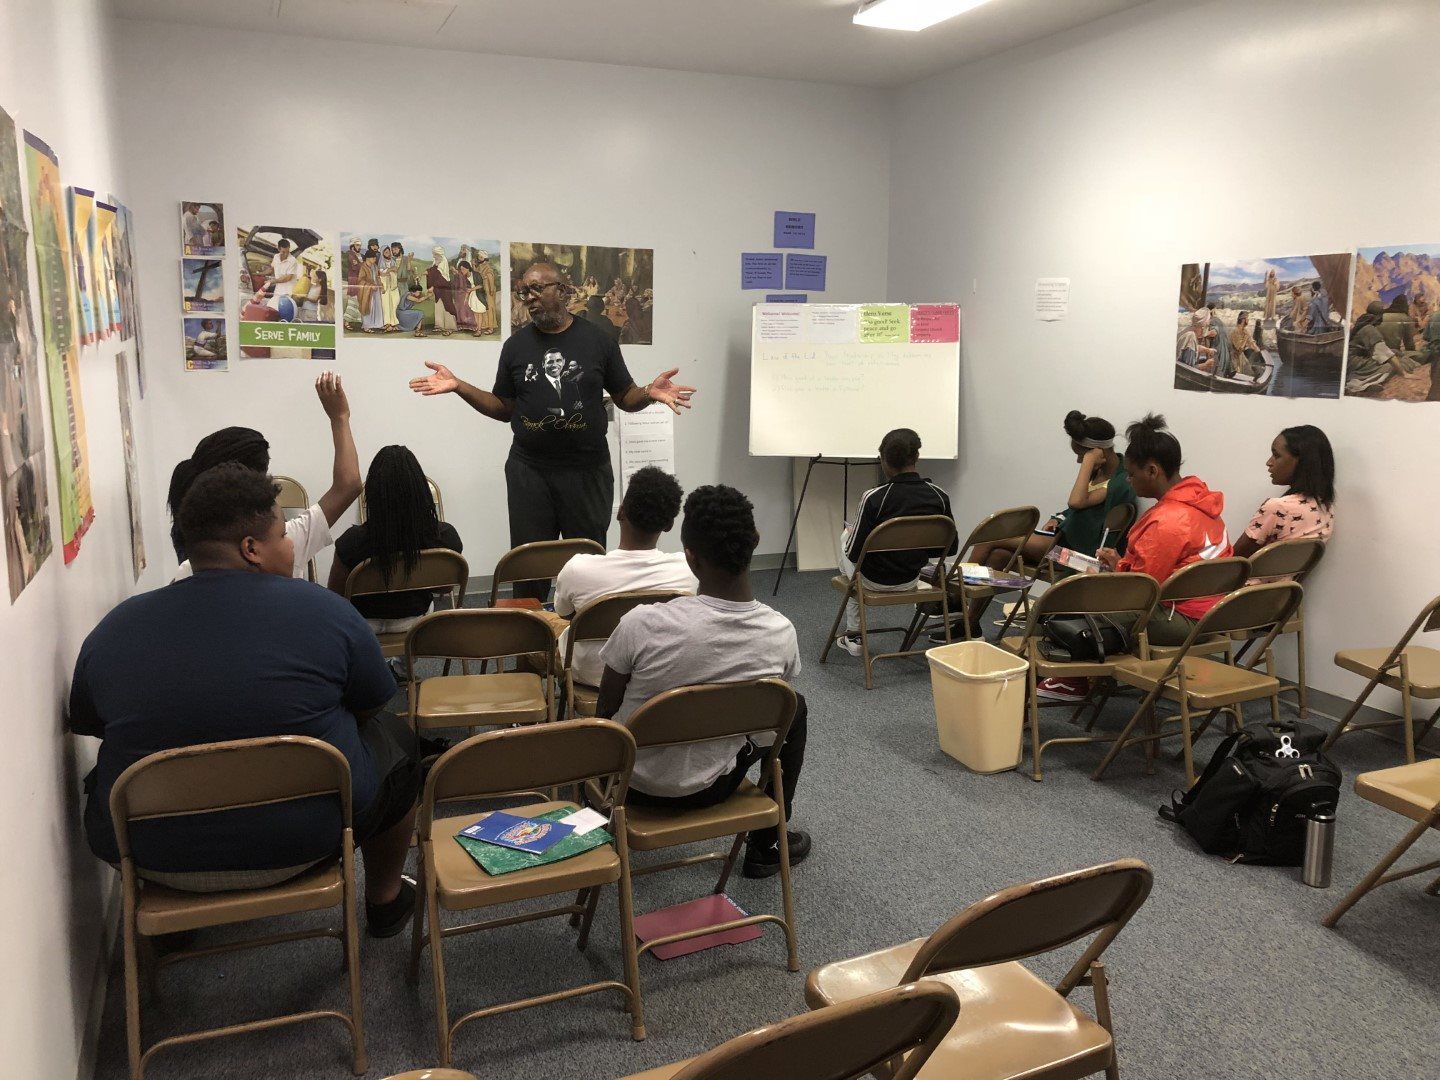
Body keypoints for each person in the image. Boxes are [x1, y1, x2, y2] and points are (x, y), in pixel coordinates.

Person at [71, 464, 420, 936]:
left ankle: (168, 928)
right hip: (310, 837)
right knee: (398, 741)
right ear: (252, 550)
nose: (291, 544)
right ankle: (385, 901)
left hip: (151, 854)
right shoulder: (327, 612)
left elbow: (93, 723)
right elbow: (371, 704)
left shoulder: (112, 630)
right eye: (283, 534)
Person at [408, 259, 695, 601]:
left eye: (536, 289)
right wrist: (459, 386)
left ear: (562, 289)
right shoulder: (516, 347)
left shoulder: (598, 341)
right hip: (530, 472)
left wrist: (650, 392)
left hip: (587, 472)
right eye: (522, 291)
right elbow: (504, 407)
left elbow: (624, 397)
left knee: (588, 568)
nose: (528, 297)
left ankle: (582, 648)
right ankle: (532, 651)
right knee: (529, 568)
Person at [595, 484, 810, 879]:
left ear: (691, 558)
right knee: (793, 707)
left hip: (632, 786)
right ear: (755, 544)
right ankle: (766, 844)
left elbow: (606, 708)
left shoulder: (642, 623)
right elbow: (765, 724)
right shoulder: (781, 632)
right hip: (716, 785)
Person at [168, 372, 361, 577]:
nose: (287, 541)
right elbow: (349, 484)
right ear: (250, 549)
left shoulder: (187, 570)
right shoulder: (280, 548)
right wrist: (340, 417)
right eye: (282, 535)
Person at [553, 466, 697, 688]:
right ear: (668, 526)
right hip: (657, 672)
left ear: (621, 513)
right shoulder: (687, 570)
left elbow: (564, 613)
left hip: (588, 674)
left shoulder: (578, 568)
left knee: (538, 625)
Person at [1096, 414, 1232, 645]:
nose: (1129, 480)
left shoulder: (1167, 520)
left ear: (1151, 471)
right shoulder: (1202, 502)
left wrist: (1101, 581)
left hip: (1180, 618)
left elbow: (1142, 589)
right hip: (1215, 613)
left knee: (1077, 608)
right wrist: (1119, 563)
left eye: (1131, 474)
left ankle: (1071, 680)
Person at [831, 428, 955, 656]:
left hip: (873, 582)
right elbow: (950, 547)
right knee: (853, 558)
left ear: (883, 460)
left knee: (846, 539)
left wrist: (853, 532)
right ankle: (854, 632)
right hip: (910, 579)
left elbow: (855, 553)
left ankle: (854, 634)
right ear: (917, 458)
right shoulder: (939, 496)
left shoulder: (874, 497)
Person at [329, 446, 462, 634]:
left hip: (364, 626)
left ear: (373, 493)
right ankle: (403, 663)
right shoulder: (445, 537)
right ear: (420, 489)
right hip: (415, 621)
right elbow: (444, 588)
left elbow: (337, 596)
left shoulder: (351, 542)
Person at [1232, 425, 1335, 559]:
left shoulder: (1277, 507)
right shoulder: (1326, 507)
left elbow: (1232, 560)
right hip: (1288, 581)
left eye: (1276, 455)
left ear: (1301, 462)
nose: (1269, 462)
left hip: (1248, 580)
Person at [425, 245, 459, 336]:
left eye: (434, 254)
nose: (433, 256)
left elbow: (440, 276)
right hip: (438, 289)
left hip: (444, 288)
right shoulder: (435, 261)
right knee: (439, 306)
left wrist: (432, 285)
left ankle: (450, 327)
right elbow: (433, 272)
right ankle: (439, 326)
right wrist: (428, 272)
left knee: (447, 307)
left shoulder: (443, 261)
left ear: (438, 254)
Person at [1228, 310, 1264, 379]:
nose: (1248, 320)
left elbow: (1252, 343)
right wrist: (1245, 339)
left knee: (1251, 372)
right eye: (1247, 318)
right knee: (1238, 376)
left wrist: (1260, 354)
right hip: (1234, 358)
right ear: (1243, 320)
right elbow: (1239, 349)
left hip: (1241, 357)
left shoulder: (1245, 331)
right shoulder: (1235, 331)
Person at [268, 239, 297, 303]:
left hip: (288, 292)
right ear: (278, 249)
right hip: (277, 290)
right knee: (274, 307)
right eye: (283, 252)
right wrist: (257, 273)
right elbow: (271, 270)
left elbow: (288, 277)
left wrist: (273, 281)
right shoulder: (276, 257)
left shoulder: (293, 260)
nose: (286, 254)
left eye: (287, 252)